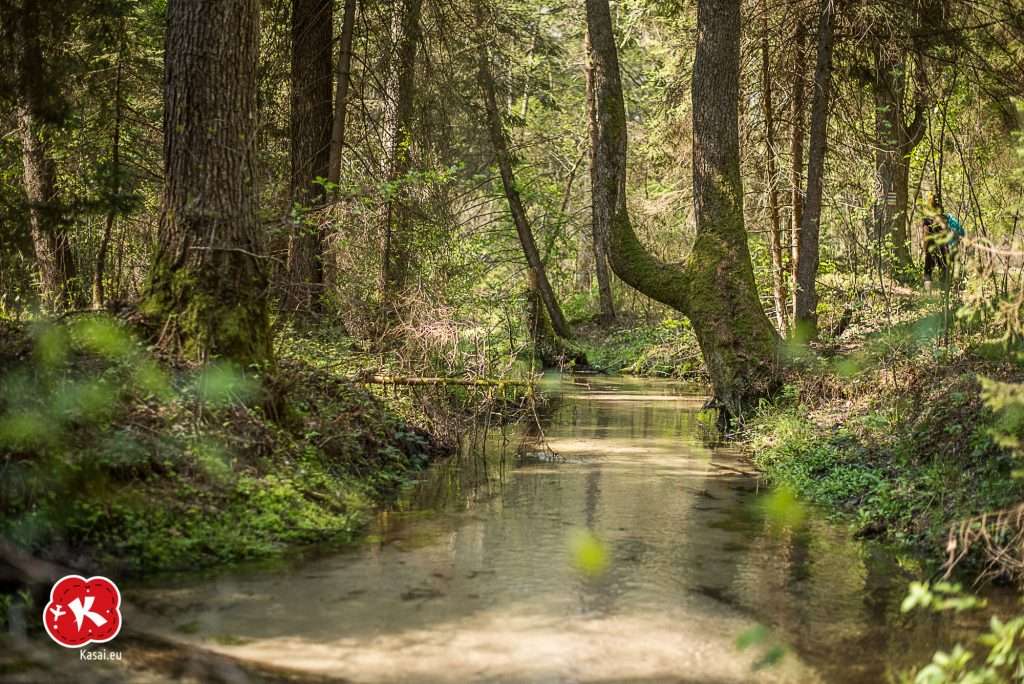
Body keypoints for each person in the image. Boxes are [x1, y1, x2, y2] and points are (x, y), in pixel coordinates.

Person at [922, 193, 964, 289]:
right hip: (943, 247)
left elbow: (926, 235)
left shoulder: (927, 219)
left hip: (931, 247)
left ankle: (928, 295)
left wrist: (925, 247)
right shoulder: (945, 218)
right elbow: (957, 231)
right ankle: (944, 293)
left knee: (928, 270)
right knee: (943, 268)